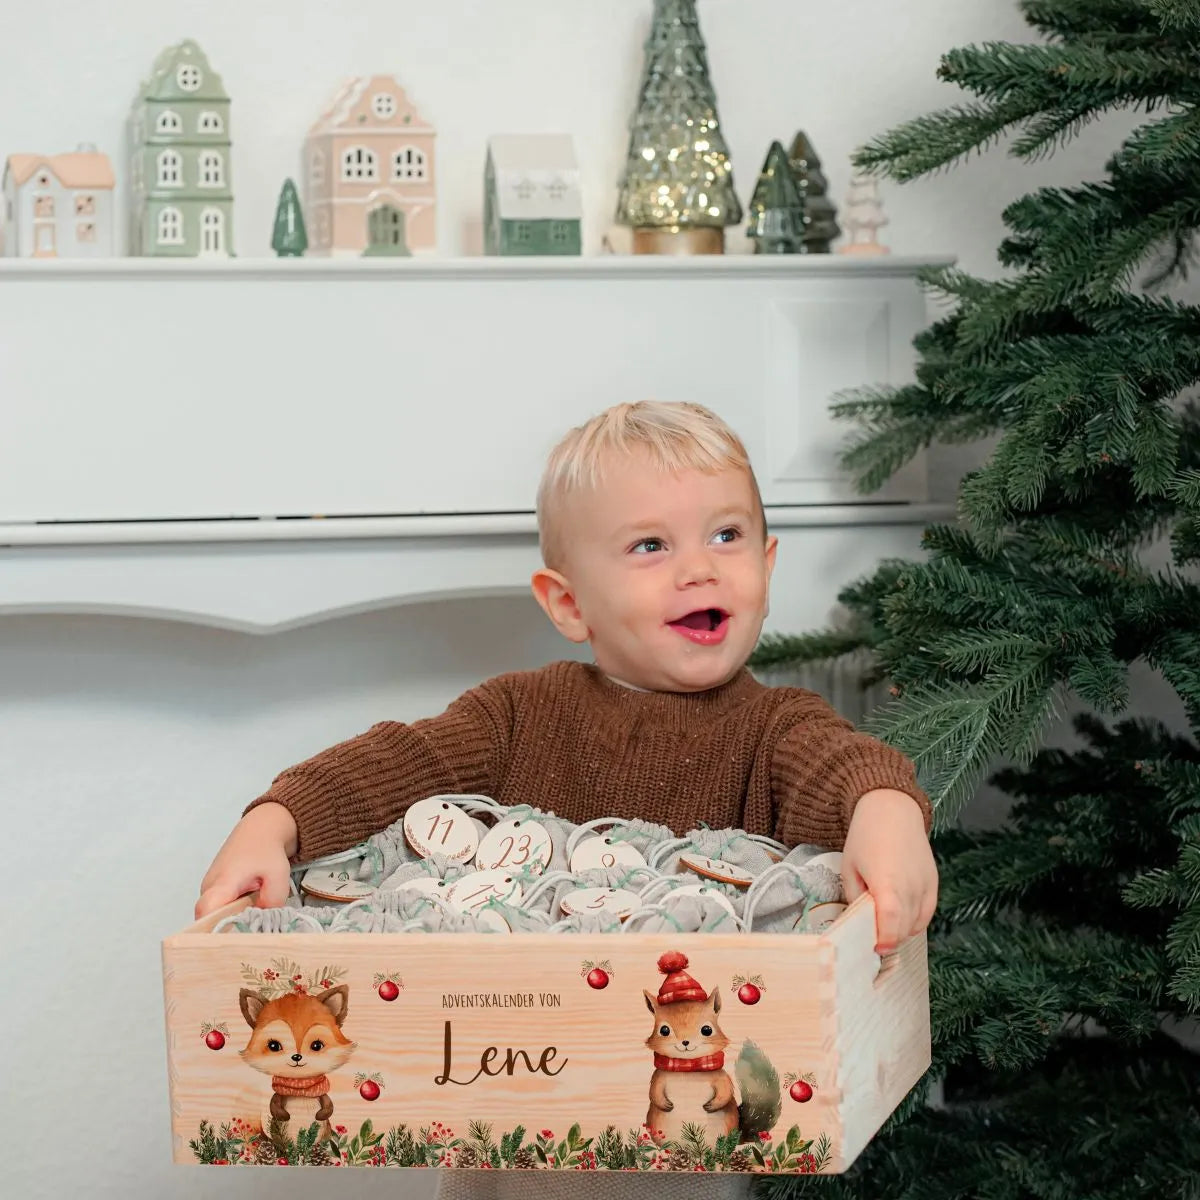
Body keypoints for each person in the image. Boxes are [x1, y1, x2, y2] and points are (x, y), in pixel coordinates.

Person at [194, 400, 938, 1199]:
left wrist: (886, 810)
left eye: (727, 535)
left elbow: (845, 766)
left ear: (768, 560)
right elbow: (399, 761)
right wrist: (276, 821)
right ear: (568, 604)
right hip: (504, 1144)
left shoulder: (776, 729)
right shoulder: (519, 715)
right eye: (650, 545)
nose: (700, 568)